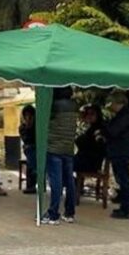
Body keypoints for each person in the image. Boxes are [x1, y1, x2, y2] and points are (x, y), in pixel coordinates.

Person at [43, 87, 80, 225]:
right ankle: (70, 213)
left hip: (54, 149)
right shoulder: (74, 106)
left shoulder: (54, 106)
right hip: (68, 149)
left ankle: (53, 214)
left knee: (56, 182)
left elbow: (45, 120)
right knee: (69, 181)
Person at [103, 91, 129, 219]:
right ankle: (124, 206)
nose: (110, 106)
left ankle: (126, 208)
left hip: (122, 151)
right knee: (122, 179)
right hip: (121, 151)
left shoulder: (125, 116)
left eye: (112, 103)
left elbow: (113, 131)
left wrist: (105, 126)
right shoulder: (124, 115)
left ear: (119, 103)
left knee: (124, 180)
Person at [74, 104, 107, 174]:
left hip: (91, 163)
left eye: (92, 114)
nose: (89, 116)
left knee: (62, 163)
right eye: (87, 114)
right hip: (83, 159)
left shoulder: (99, 129)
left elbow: (99, 146)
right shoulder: (89, 127)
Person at [19, 104, 38, 194]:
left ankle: (31, 183)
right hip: (30, 148)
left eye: (30, 116)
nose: (28, 118)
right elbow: (27, 140)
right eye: (26, 116)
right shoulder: (22, 127)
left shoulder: (38, 125)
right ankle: (35, 172)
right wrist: (28, 127)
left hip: (38, 148)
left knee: (32, 155)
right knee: (31, 152)